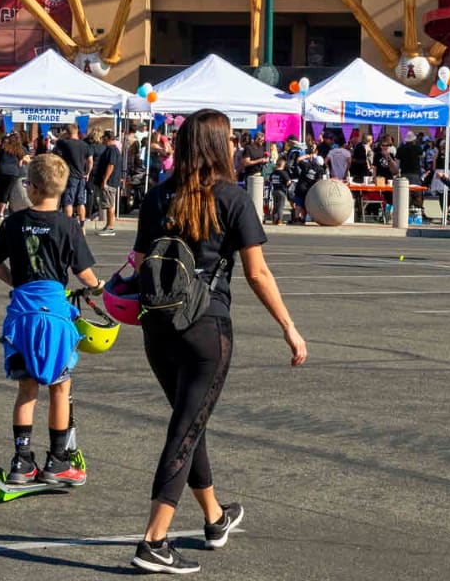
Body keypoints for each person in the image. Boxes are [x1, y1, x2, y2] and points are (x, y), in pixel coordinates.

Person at [130, 109, 307, 575]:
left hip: (158, 324)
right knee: (185, 427)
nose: (234, 145)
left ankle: (213, 518)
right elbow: (257, 272)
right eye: (229, 139)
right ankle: (153, 540)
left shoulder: (157, 196)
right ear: (216, 145)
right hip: (205, 325)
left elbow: (137, 259)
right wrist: (289, 327)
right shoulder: (231, 197)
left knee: (191, 420)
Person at [0, 153, 100, 487]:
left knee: (26, 391)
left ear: (31, 188)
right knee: (60, 387)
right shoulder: (68, 225)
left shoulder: (13, 223)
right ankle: (58, 460)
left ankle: (22, 461)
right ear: (62, 189)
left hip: (22, 316)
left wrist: (18, 283)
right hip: (55, 318)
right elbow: (85, 274)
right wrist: (101, 285)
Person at [52, 124, 92, 229]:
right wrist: (87, 173)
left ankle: (68, 224)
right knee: (80, 201)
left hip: (71, 176)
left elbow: (56, 142)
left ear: (67, 132)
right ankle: (82, 224)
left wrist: (63, 136)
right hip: (81, 177)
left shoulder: (65, 143)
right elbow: (90, 161)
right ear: (77, 131)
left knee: (68, 201)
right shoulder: (85, 145)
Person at [0, 132, 29, 219]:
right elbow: (20, 164)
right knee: (6, 192)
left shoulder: (3, 148)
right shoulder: (21, 149)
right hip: (13, 172)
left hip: (0, 170)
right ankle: (1, 213)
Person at [92, 129, 121, 236]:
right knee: (109, 203)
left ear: (108, 139)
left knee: (109, 204)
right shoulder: (112, 149)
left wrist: (105, 180)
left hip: (110, 181)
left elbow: (111, 165)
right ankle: (108, 226)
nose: (102, 140)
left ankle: (110, 227)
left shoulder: (112, 150)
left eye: (103, 138)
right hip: (110, 181)